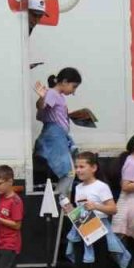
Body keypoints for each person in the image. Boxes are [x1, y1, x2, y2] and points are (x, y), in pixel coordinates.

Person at [61, 152, 125, 268]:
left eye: (82, 166)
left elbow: (113, 209)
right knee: (78, 267)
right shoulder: (78, 187)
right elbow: (79, 211)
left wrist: (95, 206)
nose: (78, 170)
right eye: (77, 167)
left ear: (94, 168)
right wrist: (70, 210)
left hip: (98, 229)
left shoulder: (101, 186)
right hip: (82, 228)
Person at [34, 68, 82, 197]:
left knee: (70, 172)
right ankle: (61, 201)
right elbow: (42, 107)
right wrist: (42, 98)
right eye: (74, 87)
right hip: (55, 137)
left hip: (57, 136)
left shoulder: (57, 95)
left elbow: (41, 113)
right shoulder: (52, 94)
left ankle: (61, 200)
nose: (73, 91)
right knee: (69, 172)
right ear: (65, 82)